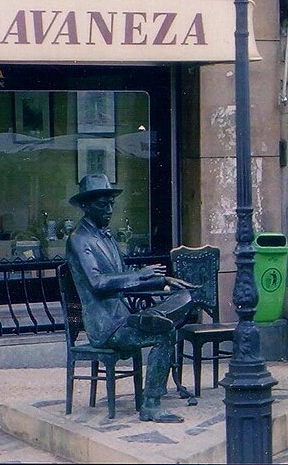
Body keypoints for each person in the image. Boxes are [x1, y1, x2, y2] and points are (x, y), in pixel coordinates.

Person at [66, 173, 193, 423]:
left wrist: (161, 281)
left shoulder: (106, 237)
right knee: (164, 334)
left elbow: (122, 276)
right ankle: (151, 404)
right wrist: (141, 274)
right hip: (105, 326)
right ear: (85, 205)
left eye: (111, 203)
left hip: (120, 319)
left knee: (176, 307)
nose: (110, 210)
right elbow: (98, 283)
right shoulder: (79, 239)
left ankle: (161, 314)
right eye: (103, 205)